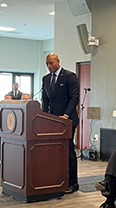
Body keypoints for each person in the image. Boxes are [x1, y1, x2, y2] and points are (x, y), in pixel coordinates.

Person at [41, 53, 80, 194]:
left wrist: (65, 115)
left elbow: (74, 98)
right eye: (47, 64)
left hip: (67, 121)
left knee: (68, 151)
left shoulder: (70, 76)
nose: (49, 66)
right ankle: (56, 180)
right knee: (54, 151)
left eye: (51, 63)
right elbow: (45, 99)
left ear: (58, 61)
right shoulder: (46, 79)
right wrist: (43, 116)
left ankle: (73, 183)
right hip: (51, 121)